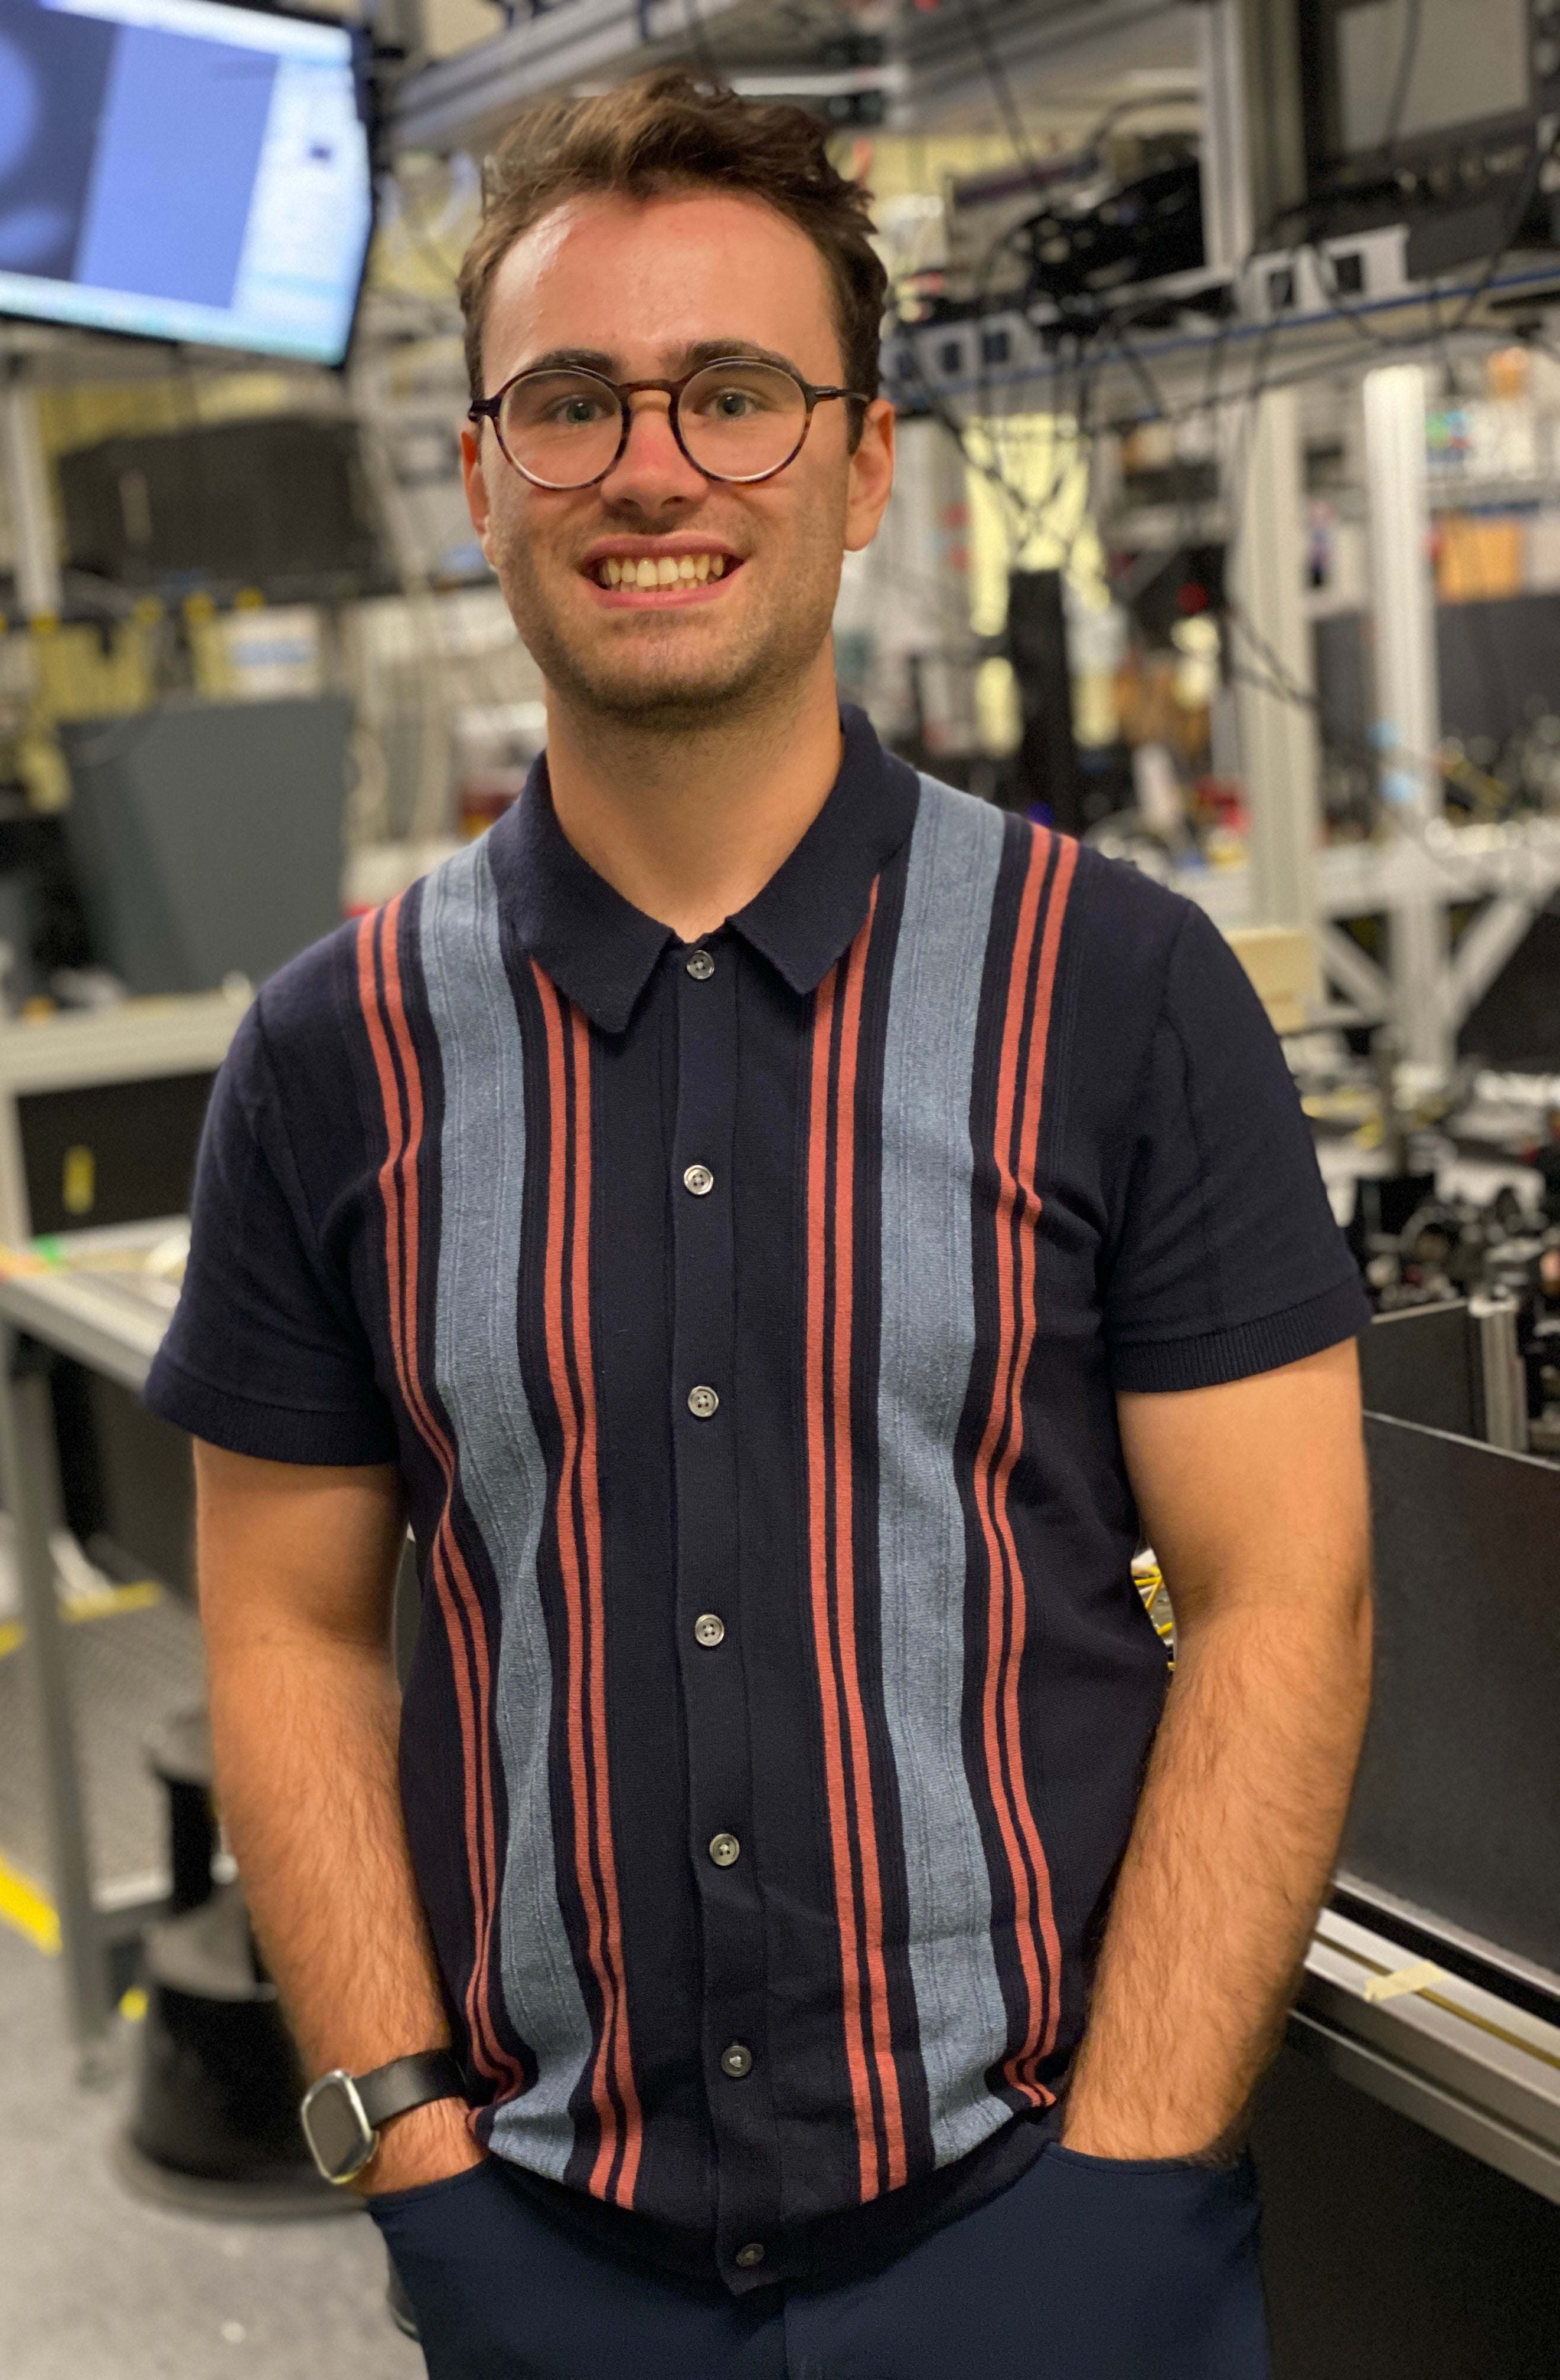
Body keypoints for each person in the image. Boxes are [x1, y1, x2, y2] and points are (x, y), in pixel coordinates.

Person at [144, 73, 1373, 2380]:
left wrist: (1129, 2183)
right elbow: (292, 1636)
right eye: (575, 401)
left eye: (735, 394)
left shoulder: (1118, 990)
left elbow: (1283, 1597)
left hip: (1040, 2235)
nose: (654, 467)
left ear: (867, 465)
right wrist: (408, 2163)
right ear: (486, 475)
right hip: (549, 2260)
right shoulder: (332, 1058)